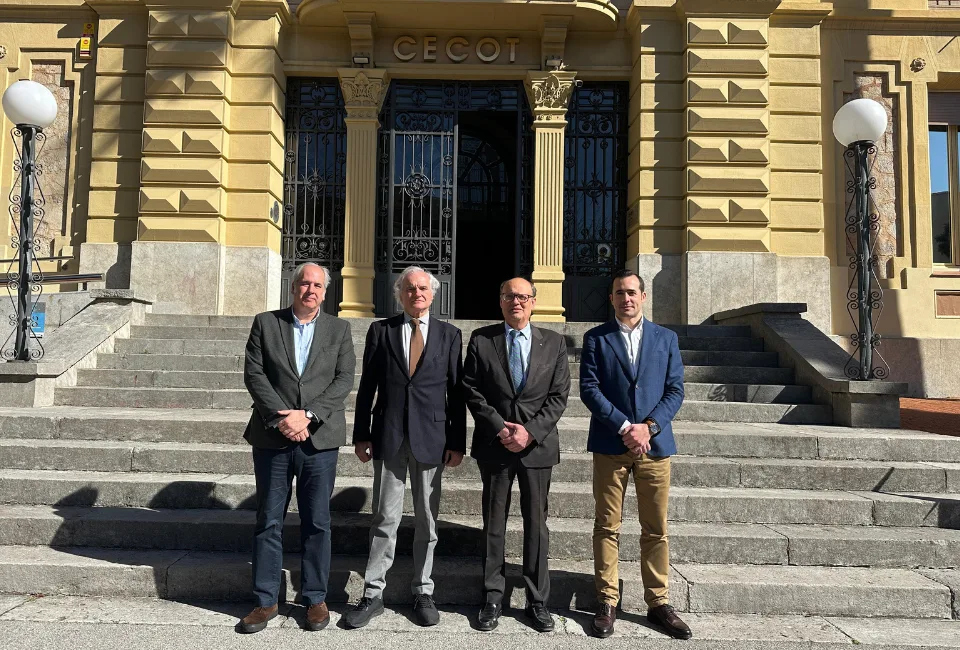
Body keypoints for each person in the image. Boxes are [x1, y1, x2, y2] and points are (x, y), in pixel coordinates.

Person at [344, 265, 466, 629]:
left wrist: (457, 442)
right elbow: (368, 386)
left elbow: (456, 393)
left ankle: (423, 590)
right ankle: (373, 593)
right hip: (389, 436)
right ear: (400, 293)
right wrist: (362, 433)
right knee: (385, 517)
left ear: (433, 293)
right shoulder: (380, 330)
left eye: (423, 289)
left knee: (427, 520)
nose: (417, 294)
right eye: (410, 289)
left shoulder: (449, 335)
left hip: (433, 439)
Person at [239, 263, 356, 634]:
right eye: (305, 283)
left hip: (319, 439)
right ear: (293, 288)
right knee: (269, 520)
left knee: (317, 521)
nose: (311, 289)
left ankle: (316, 597)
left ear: (325, 292)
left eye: (317, 285)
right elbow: (254, 373)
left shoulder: (340, 328)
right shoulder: (266, 323)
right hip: (273, 437)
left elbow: (343, 379)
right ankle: (264, 600)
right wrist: (282, 418)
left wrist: (308, 416)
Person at [579, 269, 689, 640]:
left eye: (632, 292)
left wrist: (649, 427)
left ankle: (658, 602)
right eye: (619, 293)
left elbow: (675, 390)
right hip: (612, 445)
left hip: (655, 448)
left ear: (643, 297)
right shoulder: (596, 338)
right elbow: (590, 390)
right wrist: (626, 427)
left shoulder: (666, 338)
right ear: (611, 299)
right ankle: (607, 600)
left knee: (655, 528)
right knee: (606, 525)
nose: (626, 298)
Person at [462, 277, 571, 633]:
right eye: (510, 296)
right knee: (494, 523)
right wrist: (500, 427)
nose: (517, 302)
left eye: (523, 297)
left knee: (536, 526)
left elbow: (558, 396)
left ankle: (537, 600)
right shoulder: (482, 338)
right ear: (501, 301)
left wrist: (529, 432)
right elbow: (471, 388)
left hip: (537, 447)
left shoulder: (554, 343)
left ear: (534, 302)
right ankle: (493, 596)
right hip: (495, 445)